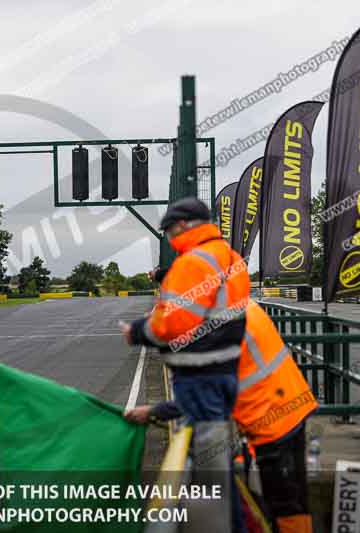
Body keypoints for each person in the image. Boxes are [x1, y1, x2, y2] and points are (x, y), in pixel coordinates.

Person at [125, 298, 317, 533]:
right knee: (295, 497)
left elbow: (201, 399)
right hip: (292, 402)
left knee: (284, 502)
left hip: (271, 420)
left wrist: (154, 411)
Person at [119, 197, 250, 531]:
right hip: (224, 373)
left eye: (170, 231)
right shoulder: (230, 258)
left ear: (183, 226)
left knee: (211, 479)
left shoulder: (193, 263)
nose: (169, 238)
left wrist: (136, 331)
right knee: (218, 473)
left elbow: (173, 324)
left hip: (199, 376)